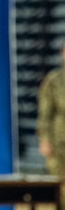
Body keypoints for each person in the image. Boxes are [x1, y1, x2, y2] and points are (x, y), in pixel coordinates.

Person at [38, 41, 65, 176]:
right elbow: (45, 113)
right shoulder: (54, 80)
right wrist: (45, 140)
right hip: (59, 141)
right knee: (60, 183)